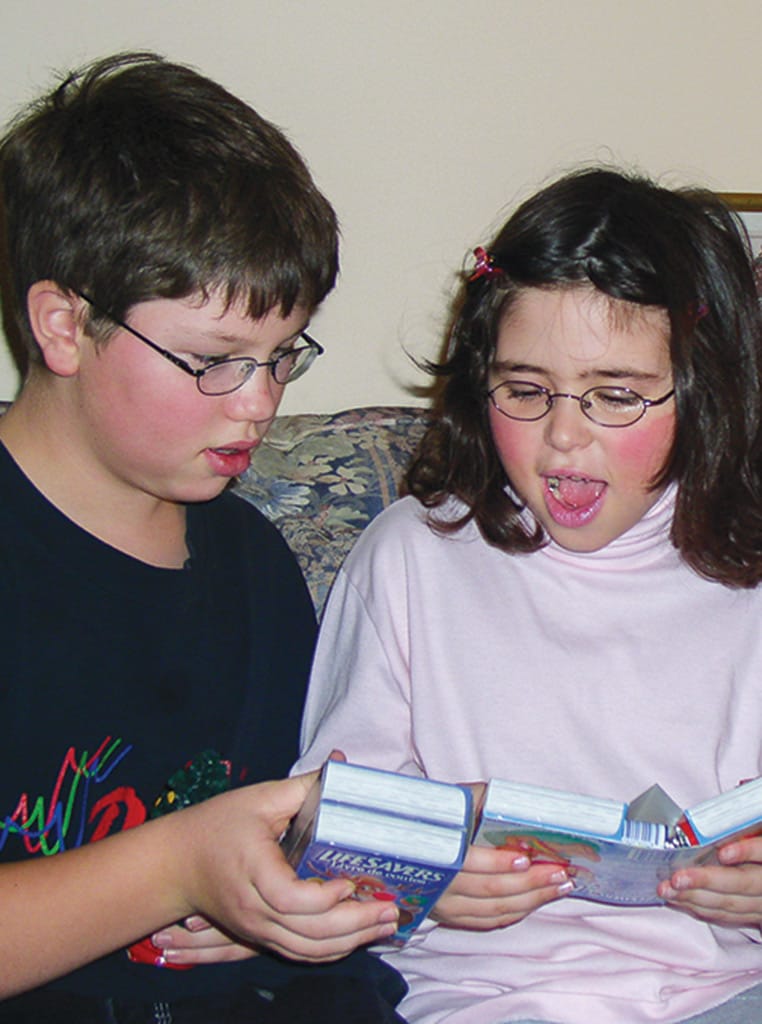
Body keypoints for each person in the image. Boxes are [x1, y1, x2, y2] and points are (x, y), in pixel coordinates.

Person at [294, 168, 762, 1023]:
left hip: (726, 992)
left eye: (616, 395)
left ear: (706, 397)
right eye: (524, 389)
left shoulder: (749, 580)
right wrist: (419, 885)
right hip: (481, 1001)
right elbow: (326, 843)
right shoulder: (411, 557)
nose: (563, 436)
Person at [0, 52, 407, 1022]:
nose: (260, 405)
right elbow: (190, 857)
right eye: (216, 360)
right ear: (64, 323)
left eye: (282, 358)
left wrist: (291, 896)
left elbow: (278, 836)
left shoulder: (251, 561)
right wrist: (179, 870)